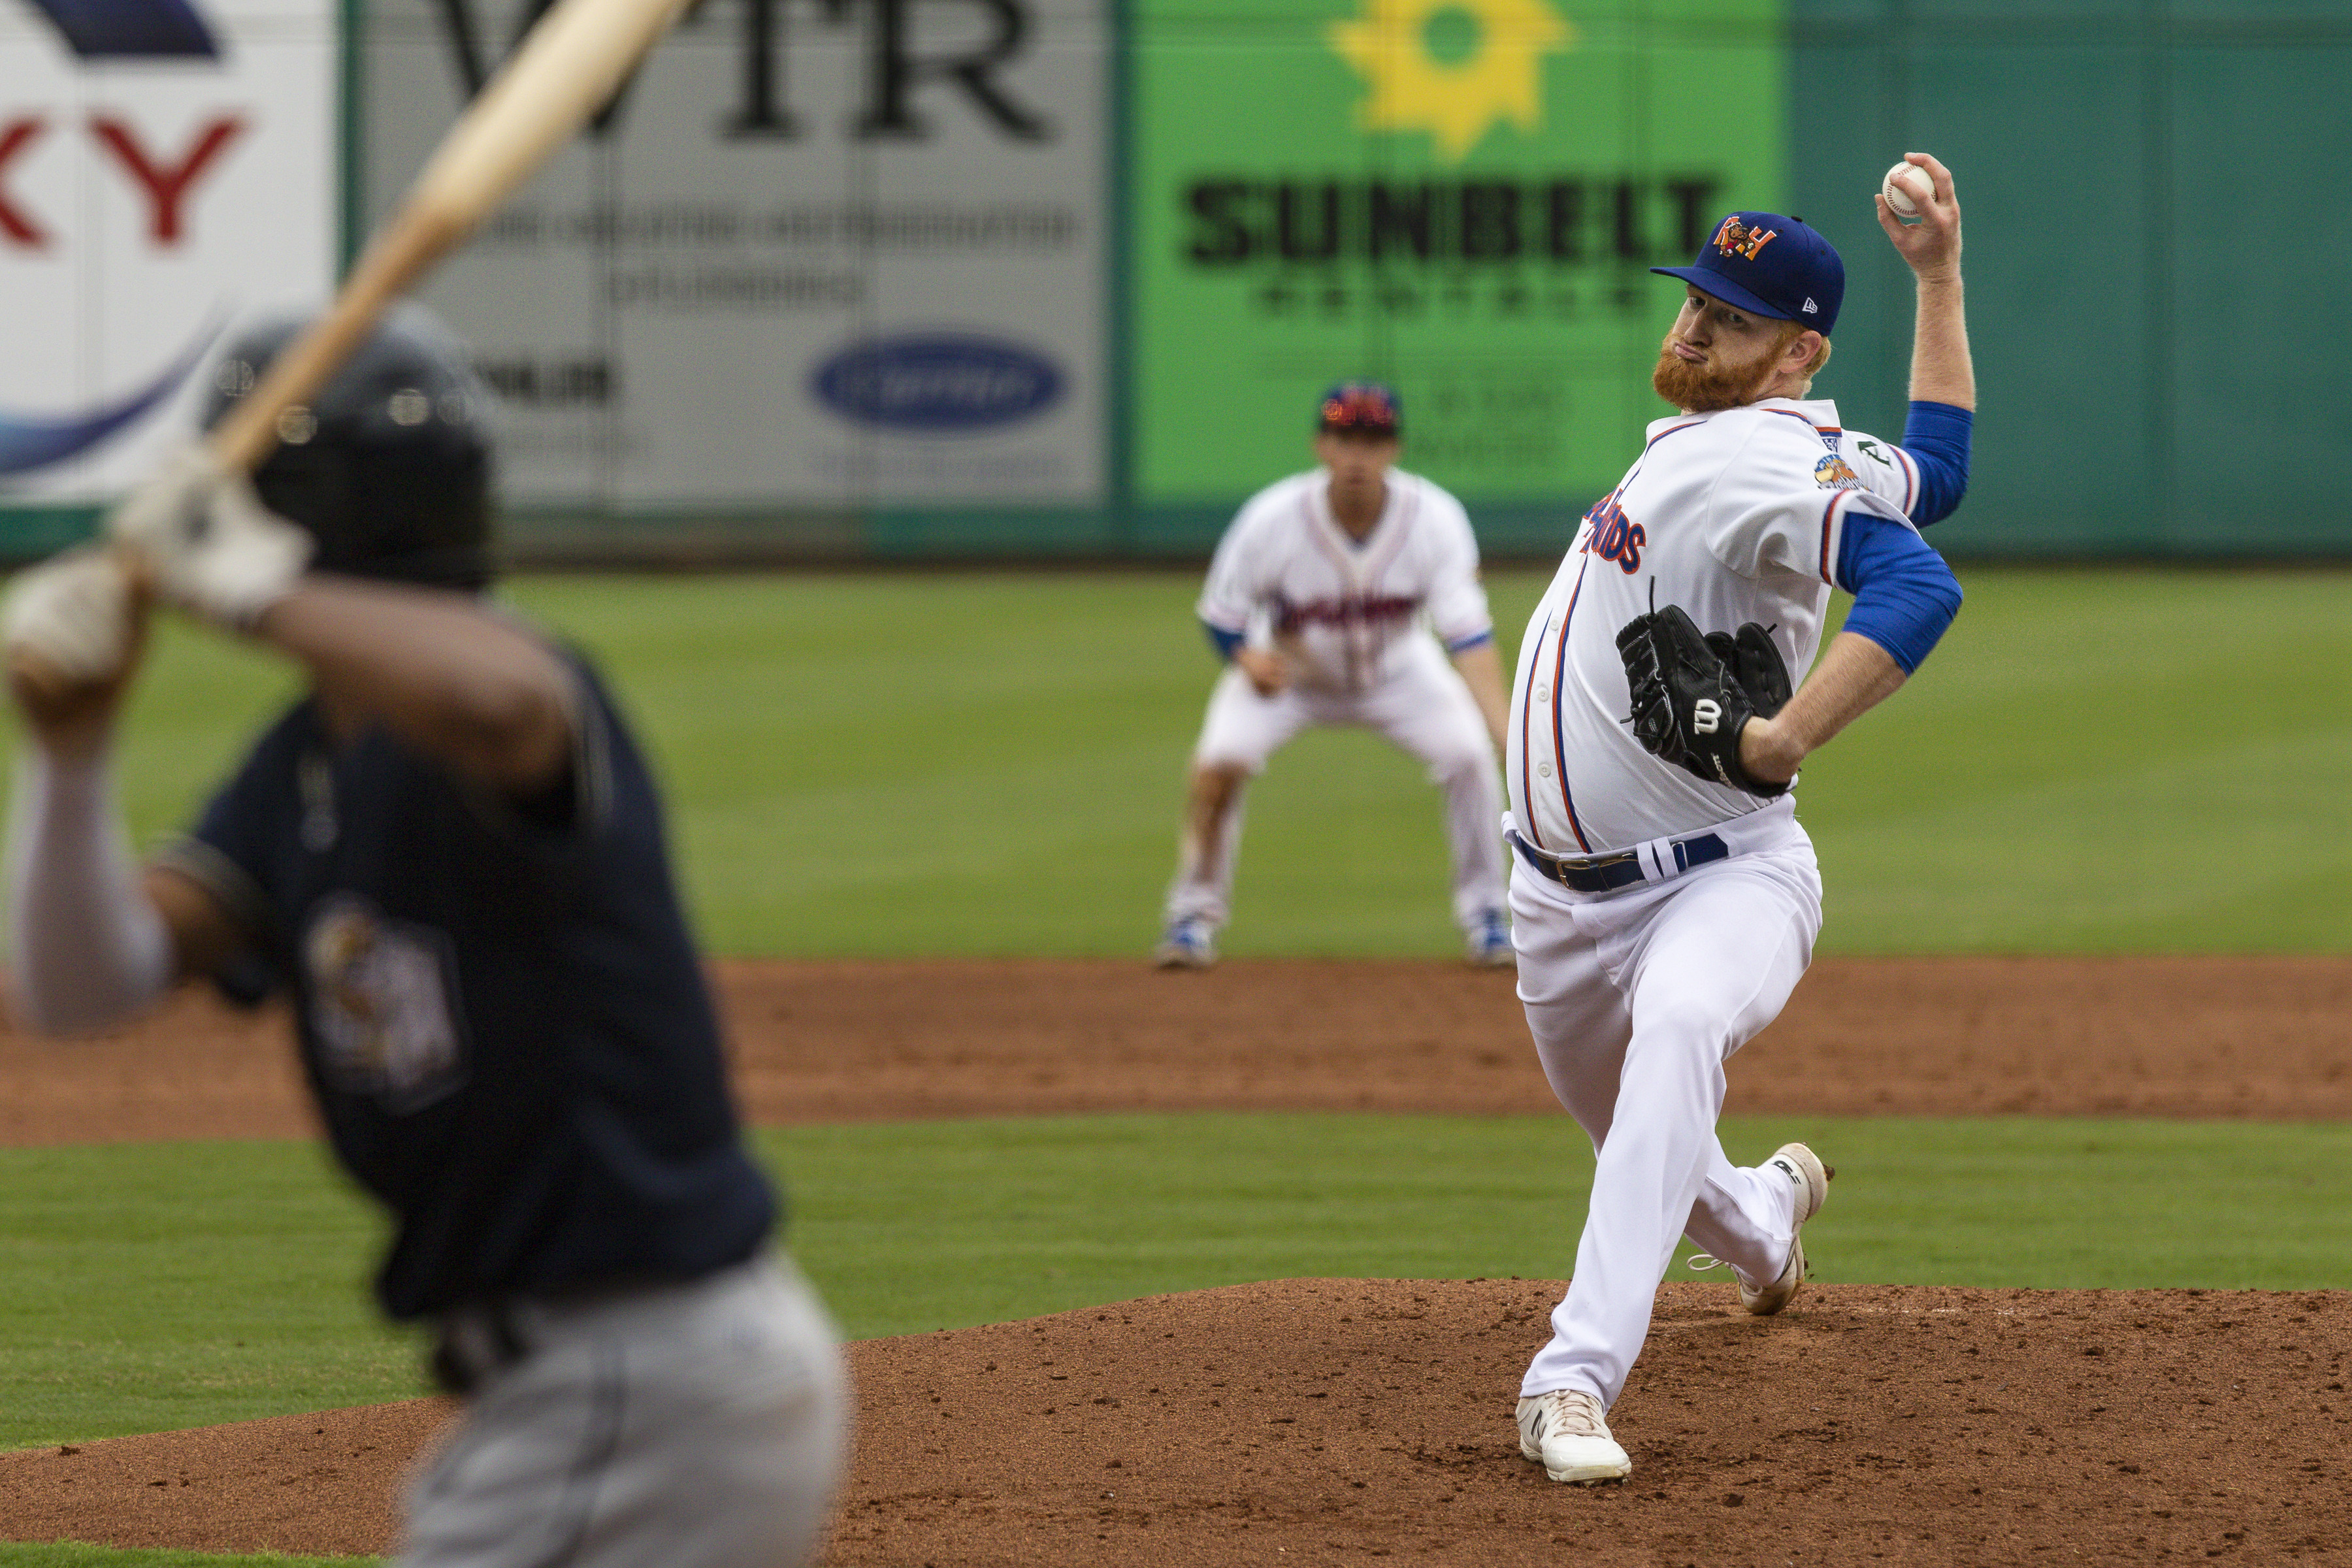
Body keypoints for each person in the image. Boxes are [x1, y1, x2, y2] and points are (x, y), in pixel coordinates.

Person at [2, 306, 849, 1566]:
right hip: (595, 1388)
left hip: (642, 1372)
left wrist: (244, 589)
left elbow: (506, 705)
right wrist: (74, 757)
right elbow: (80, 988)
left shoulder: (504, 693)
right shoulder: (305, 762)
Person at [1505, 154, 1974, 1485]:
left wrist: (1785, 735)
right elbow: (1933, 472)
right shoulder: (1784, 444)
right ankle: (1768, 1221)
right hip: (1554, 900)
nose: (1694, 324)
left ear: (1796, 354)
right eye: (1696, 298)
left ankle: (1571, 1382)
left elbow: (1916, 577)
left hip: (1723, 879)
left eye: (1733, 317)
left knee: (1681, 1031)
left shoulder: (1757, 458)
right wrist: (1938, 277)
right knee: (1656, 1149)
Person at [1156, 382, 1515, 969]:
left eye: (1372, 440)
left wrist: (1503, 728)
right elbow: (1222, 615)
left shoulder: (1435, 519)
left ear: (1394, 449)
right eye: (1344, 437)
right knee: (1218, 763)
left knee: (1470, 757)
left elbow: (1468, 637)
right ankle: (1191, 916)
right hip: (1289, 676)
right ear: (1320, 445)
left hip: (1402, 672)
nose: (1357, 455)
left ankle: (1486, 916)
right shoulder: (1271, 518)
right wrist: (1246, 659)